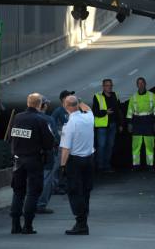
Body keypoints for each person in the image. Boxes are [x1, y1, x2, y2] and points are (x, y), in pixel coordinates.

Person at [8, 93, 54, 234]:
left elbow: (10, 137)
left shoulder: (17, 117)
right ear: (40, 104)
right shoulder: (40, 120)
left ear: (28, 103)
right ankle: (28, 225)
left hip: (18, 160)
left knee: (18, 192)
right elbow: (49, 143)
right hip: (34, 160)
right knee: (33, 193)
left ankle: (15, 225)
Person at [59, 96, 95, 235]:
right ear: (77, 105)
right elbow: (88, 108)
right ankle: (83, 220)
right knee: (86, 191)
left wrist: (62, 166)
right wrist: (79, 100)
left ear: (65, 106)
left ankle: (81, 223)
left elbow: (66, 149)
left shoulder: (69, 125)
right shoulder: (89, 117)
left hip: (75, 162)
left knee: (75, 192)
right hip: (89, 160)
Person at [126, 77, 155, 171]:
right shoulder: (133, 97)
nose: (140, 85)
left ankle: (150, 166)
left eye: (142, 83)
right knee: (136, 146)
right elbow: (129, 111)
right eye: (139, 83)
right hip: (136, 123)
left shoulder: (152, 95)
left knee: (149, 146)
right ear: (137, 85)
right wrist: (129, 123)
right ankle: (136, 166)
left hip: (148, 122)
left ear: (145, 84)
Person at [92, 79, 123, 172]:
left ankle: (107, 165)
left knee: (110, 146)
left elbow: (119, 111)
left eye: (110, 85)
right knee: (101, 146)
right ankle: (100, 166)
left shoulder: (115, 95)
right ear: (103, 86)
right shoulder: (98, 96)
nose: (109, 87)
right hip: (102, 126)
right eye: (107, 85)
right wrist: (106, 112)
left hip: (113, 125)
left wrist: (121, 124)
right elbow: (95, 112)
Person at [35, 97, 60, 214]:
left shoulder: (21, 117)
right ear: (43, 106)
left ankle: (29, 203)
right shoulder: (49, 119)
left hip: (29, 154)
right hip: (46, 155)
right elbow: (55, 138)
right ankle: (41, 204)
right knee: (46, 179)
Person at [50, 90, 75, 195]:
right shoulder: (58, 111)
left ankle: (65, 185)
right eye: (69, 96)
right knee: (59, 166)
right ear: (63, 99)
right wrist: (59, 134)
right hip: (62, 145)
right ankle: (56, 186)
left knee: (69, 166)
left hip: (72, 144)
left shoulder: (73, 110)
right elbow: (51, 125)